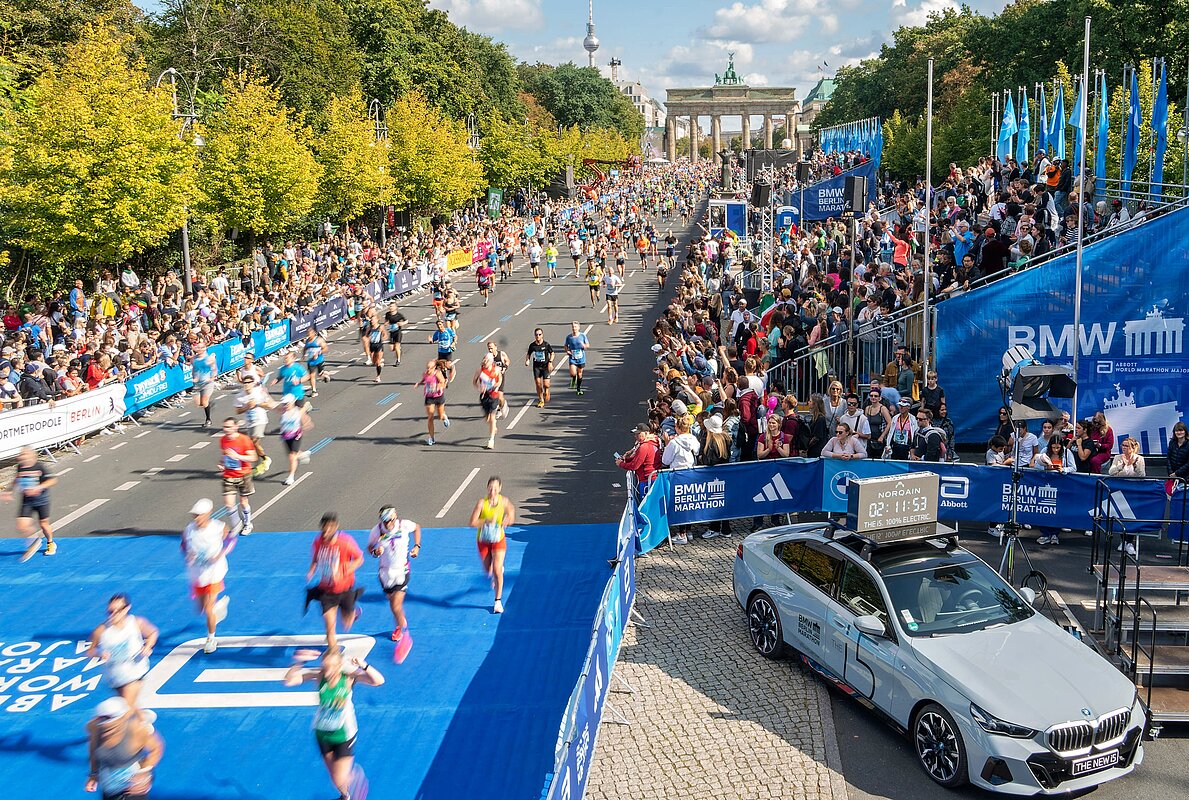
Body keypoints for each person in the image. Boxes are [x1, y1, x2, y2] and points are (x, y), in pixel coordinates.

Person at [283, 648, 384, 800]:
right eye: (325, 666)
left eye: (331, 667)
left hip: (343, 735)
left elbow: (378, 681)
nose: (327, 671)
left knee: (339, 778)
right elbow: (289, 681)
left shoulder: (349, 678)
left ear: (338, 666)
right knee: (333, 776)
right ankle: (345, 796)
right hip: (322, 733)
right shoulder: (319, 676)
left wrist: (364, 665)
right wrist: (299, 662)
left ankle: (356, 779)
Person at [305, 513, 365, 651]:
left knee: (346, 624)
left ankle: (352, 612)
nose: (326, 532)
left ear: (335, 528)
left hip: (344, 589)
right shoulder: (318, 541)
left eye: (329, 529)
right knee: (330, 629)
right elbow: (315, 558)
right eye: (324, 529)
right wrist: (311, 571)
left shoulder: (345, 542)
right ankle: (334, 654)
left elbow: (360, 559)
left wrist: (346, 569)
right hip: (327, 591)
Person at [85, 696, 164, 800]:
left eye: (111, 727)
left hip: (134, 786)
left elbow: (156, 748)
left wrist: (144, 772)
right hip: (109, 787)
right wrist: (93, 774)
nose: (106, 729)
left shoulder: (137, 730)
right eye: (103, 726)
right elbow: (93, 750)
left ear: (122, 719)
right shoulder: (94, 727)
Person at [87, 593, 158, 708]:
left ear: (127, 608)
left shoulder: (136, 622)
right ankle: (145, 724)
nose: (114, 614)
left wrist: (148, 646)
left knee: (125, 710)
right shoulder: (101, 631)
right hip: (115, 677)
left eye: (118, 610)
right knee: (131, 710)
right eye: (110, 611)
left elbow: (152, 633)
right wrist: (100, 653)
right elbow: (90, 651)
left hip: (135, 673)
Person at [181, 498, 232, 653]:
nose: (196, 518)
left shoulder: (218, 527)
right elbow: (183, 545)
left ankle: (211, 639)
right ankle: (219, 608)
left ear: (208, 514)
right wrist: (187, 555)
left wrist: (220, 554)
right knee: (201, 609)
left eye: (199, 515)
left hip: (214, 572)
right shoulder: (189, 530)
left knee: (208, 609)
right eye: (194, 515)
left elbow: (230, 539)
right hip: (198, 573)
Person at [367, 506, 421, 642]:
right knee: (392, 604)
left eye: (390, 520)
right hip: (385, 573)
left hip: (402, 571)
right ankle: (399, 623)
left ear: (395, 517)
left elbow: (417, 528)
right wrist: (375, 552)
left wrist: (417, 546)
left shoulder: (404, 525)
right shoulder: (377, 530)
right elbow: (370, 548)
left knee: (396, 605)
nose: (388, 524)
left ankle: (402, 628)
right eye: (385, 521)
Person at [468, 477, 515, 614]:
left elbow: (511, 512)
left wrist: (508, 520)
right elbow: (472, 522)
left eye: (495, 488)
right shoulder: (482, 503)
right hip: (483, 540)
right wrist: (485, 521)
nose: (492, 491)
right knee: (488, 570)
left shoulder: (504, 501)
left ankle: (498, 601)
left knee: (497, 569)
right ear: (487, 488)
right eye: (490, 488)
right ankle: (494, 574)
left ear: (499, 489)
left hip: (498, 539)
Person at [5, 447, 58, 561]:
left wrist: (39, 487)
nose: (21, 457)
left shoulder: (39, 467)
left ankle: (50, 543)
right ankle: (34, 541)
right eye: (21, 455)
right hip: (27, 501)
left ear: (31, 456)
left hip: (41, 500)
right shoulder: (20, 467)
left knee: (44, 524)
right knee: (21, 525)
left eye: (24, 455)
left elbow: (53, 480)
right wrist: (9, 491)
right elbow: (17, 479)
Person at [1036, 435, 1077, 546]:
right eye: (1053, 447)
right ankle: (1045, 534)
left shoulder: (1067, 453)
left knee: (1057, 509)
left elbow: (1074, 468)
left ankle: (1055, 534)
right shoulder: (1045, 451)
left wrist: (1063, 469)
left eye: (1058, 448)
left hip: (1061, 484)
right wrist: (1046, 467)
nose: (1055, 450)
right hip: (1046, 483)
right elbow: (1036, 465)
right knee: (1044, 508)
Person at [1109, 437, 1146, 557]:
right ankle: (1123, 540)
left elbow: (1142, 475)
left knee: (1132, 517)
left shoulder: (1140, 459)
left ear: (1133, 448)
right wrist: (1121, 467)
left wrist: (1134, 466)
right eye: (1122, 445)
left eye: (1126, 446)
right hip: (1121, 489)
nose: (1124, 448)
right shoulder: (1117, 458)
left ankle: (1130, 542)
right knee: (1122, 515)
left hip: (1134, 490)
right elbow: (1111, 472)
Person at [219, 417, 257, 535]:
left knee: (243, 502)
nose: (226, 429)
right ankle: (236, 524)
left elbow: (253, 457)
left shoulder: (244, 440)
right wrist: (221, 464)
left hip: (243, 474)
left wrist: (238, 457)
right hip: (229, 474)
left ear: (236, 427)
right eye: (225, 427)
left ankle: (247, 524)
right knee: (229, 504)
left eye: (229, 427)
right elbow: (224, 455)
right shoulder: (223, 440)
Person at [235, 373, 272, 477]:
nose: (246, 385)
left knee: (254, 441)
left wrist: (256, 404)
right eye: (245, 383)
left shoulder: (259, 393)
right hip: (249, 423)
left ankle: (266, 459)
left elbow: (268, 404)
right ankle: (258, 464)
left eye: (249, 383)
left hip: (260, 420)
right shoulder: (240, 396)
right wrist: (246, 407)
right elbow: (237, 411)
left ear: (253, 383)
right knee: (253, 445)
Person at [278, 394, 314, 484]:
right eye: (284, 404)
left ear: (292, 403)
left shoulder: (297, 412)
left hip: (296, 436)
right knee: (292, 455)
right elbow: (270, 404)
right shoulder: (282, 411)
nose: (285, 405)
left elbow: (307, 419)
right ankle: (302, 454)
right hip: (286, 437)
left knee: (292, 456)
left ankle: (291, 477)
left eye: (287, 403)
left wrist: (306, 424)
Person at [415, 359, 450, 446]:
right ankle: (431, 438)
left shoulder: (437, 373)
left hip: (438, 397)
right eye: (427, 368)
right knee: (430, 416)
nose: (428, 370)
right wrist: (419, 383)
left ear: (434, 368)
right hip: (429, 397)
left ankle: (444, 417)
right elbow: (424, 379)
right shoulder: (426, 373)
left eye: (430, 368)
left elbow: (442, 381)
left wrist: (439, 386)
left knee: (440, 415)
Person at [473, 353, 503, 450]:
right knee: (487, 419)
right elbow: (474, 381)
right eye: (484, 360)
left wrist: (495, 386)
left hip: (494, 396)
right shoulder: (480, 371)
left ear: (491, 362)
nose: (485, 363)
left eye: (487, 361)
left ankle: (491, 440)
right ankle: (493, 427)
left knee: (492, 417)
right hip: (484, 396)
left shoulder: (496, 370)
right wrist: (479, 388)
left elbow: (500, 380)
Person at [190, 340, 219, 428]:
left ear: (205, 348)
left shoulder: (208, 358)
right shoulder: (193, 359)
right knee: (198, 403)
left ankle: (208, 419)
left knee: (204, 401)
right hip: (197, 383)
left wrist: (212, 377)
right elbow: (194, 369)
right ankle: (209, 405)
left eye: (201, 347)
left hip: (207, 383)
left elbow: (214, 369)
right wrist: (194, 378)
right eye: (198, 347)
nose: (199, 349)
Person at [525, 327, 554, 408]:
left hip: (545, 366)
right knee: (538, 384)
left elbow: (552, 353)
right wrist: (527, 360)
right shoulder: (532, 345)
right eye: (536, 335)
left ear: (542, 335)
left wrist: (550, 362)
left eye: (539, 334)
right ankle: (541, 400)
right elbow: (528, 354)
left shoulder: (546, 345)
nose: (538, 336)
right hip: (537, 367)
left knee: (546, 384)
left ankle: (547, 391)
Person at [864, 388, 892, 460]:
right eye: (871, 396)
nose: (873, 397)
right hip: (869, 439)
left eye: (876, 396)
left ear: (879, 398)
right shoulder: (867, 408)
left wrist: (882, 436)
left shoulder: (883, 409)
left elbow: (889, 423)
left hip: (880, 439)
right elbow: (865, 423)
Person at [564, 321, 590, 396]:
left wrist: (584, 346)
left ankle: (578, 388)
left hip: (581, 358)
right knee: (573, 373)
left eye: (575, 327)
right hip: (572, 357)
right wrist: (567, 351)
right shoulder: (569, 337)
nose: (574, 328)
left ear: (578, 327)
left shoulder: (582, 336)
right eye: (573, 327)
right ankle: (573, 378)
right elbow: (565, 345)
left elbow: (588, 345)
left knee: (580, 374)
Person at [303, 328, 329, 396]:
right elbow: (305, 348)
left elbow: (326, 348)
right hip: (311, 361)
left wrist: (318, 353)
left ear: (314, 333)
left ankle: (325, 376)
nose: (309, 335)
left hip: (319, 360)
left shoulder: (319, 340)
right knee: (312, 376)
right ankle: (314, 391)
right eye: (308, 334)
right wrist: (303, 355)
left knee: (320, 375)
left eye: (310, 334)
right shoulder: (307, 341)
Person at [383, 301, 406, 366]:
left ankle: (398, 360)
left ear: (396, 307)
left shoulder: (399, 315)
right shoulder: (387, 314)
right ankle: (398, 349)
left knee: (397, 347)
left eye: (392, 306)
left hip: (398, 332)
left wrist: (402, 323)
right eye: (390, 306)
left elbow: (406, 321)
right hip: (392, 332)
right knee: (392, 348)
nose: (390, 308)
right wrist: (385, 324)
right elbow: (386, 321)